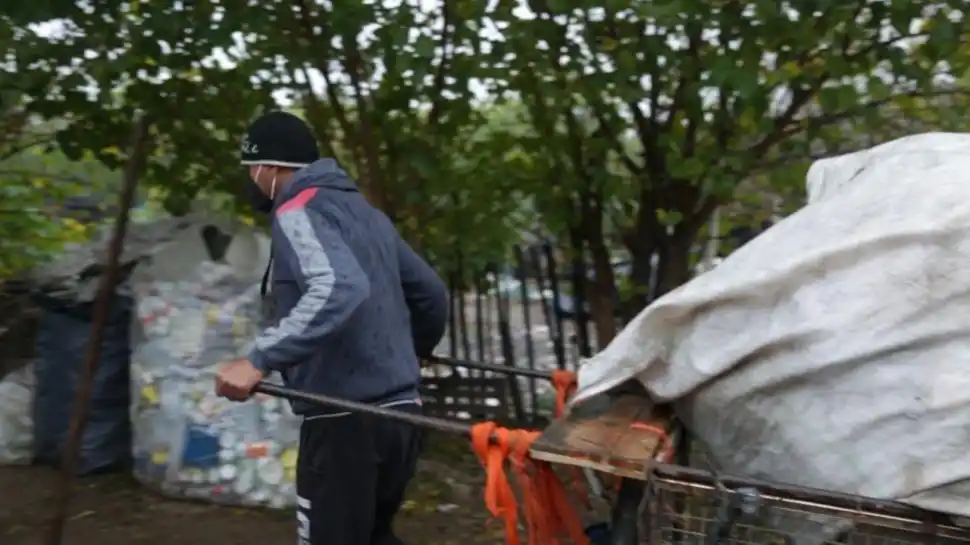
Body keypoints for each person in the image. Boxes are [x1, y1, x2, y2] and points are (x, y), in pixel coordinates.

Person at [214, 111, 449, 545]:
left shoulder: (296, 211)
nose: (250, 178)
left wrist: (259, 359)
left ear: (270, 167)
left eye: (251, 168)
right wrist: (412, 351)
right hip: (401, 413)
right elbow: (432, 294)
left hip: (344, 419)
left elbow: (339, 287)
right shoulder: (368, 215)